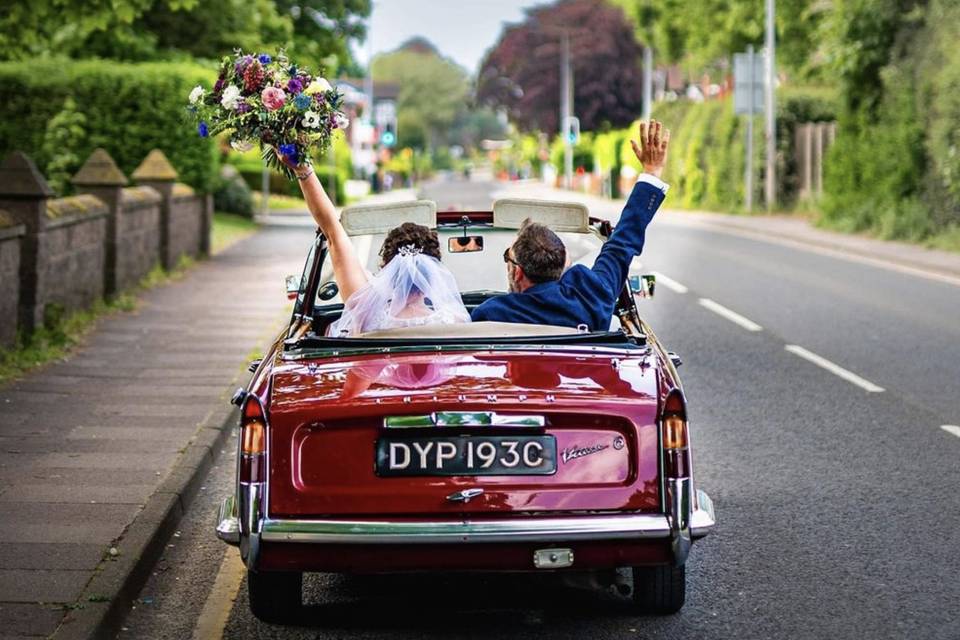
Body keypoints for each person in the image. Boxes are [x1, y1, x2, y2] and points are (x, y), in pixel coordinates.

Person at [471, 120, 671, 331]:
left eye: (508, 258)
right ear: (563, 265)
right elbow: (622, 243)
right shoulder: (592, 297)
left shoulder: (489, 314)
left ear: (518, 272)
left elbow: (622, 245)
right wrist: (652, 172)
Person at [281, 152, 470, 336]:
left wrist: (302, 168)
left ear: (387, 269)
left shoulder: (368, 315)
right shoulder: (454, 322)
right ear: (434, 271)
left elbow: (332, 231)